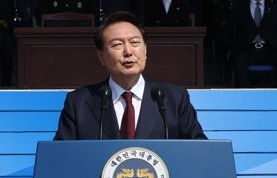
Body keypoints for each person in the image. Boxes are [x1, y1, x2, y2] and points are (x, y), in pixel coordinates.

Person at [53, 11, 206, 140]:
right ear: (101, 56)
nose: (128, 52)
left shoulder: (174, 98)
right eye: (117, 45)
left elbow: (200, 152)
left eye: (134, 43)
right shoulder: (78, 103)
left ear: (145, 50)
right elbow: (62, 158)